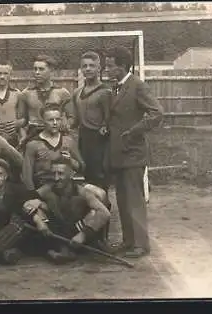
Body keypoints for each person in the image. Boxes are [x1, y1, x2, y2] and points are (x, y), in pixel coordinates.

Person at [104, 46, 164, 258]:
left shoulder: (137, 85)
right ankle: (128, 241)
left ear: (121, 66)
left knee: (135, 200)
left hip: (133, 154)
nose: (107, 69)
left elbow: (157, 113)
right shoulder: (116, 88)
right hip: (118, 154)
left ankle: (141, 244)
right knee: (122, 199)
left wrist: (134, 130)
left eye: (110, 65)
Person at [71, 51, 113, 241]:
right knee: (87, 189)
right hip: (83, 142)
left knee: (101, 189)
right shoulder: (77, 93)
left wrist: (105, 128)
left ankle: (102, 236)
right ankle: (89, 232)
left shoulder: (106, 92)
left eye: (92, 66)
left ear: (99, 68)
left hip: (100, 143)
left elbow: (110, 120)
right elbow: (75, 121)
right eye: (84, 66)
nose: (88, 69)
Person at [22, 104, 85, 191]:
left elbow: (81, 167)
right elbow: (26, 176)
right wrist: (33, 195)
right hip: (43, 187)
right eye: (51, 120)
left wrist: (70, 160)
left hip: (66, 186)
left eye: (58, 119)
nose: (55, 123)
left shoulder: (68, 140)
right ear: (43, 121)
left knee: (97, 194)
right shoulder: (33, 144)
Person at [20, 54, 72, 148]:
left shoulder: (62, 93)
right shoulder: (26, 93)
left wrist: (66, 123)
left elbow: (71, 118)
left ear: (51, 70)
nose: (37, 72)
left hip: (55, 135)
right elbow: (23, 120)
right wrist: (22, 134)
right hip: (33, 135)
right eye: (35, 69)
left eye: (41, 69)